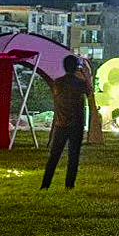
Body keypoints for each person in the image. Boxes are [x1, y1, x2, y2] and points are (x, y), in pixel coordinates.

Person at [41, 54, 92, 190]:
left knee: (54, 156)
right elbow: (89, 91)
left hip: (60, 123)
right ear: (76, 68)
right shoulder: (79, 83)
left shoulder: (57, 82)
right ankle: (69, 185)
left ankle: (45, 184)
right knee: (73, 156)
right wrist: (86, 74)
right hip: (76, 124)